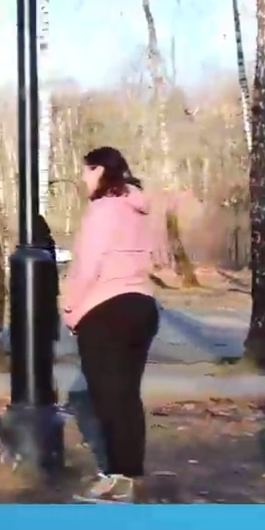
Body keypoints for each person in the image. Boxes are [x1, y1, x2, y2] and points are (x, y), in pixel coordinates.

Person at [62, 147, 164, 504]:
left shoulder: (102, 211)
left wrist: (71, 309)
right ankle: (130, 475)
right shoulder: (139, 210)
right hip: (142, 306)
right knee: (127, 397)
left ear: (100, 170)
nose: (82, 178)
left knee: (108, 398)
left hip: (105, 311)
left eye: (86, 171)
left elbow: (87, 267)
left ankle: (117, 480)